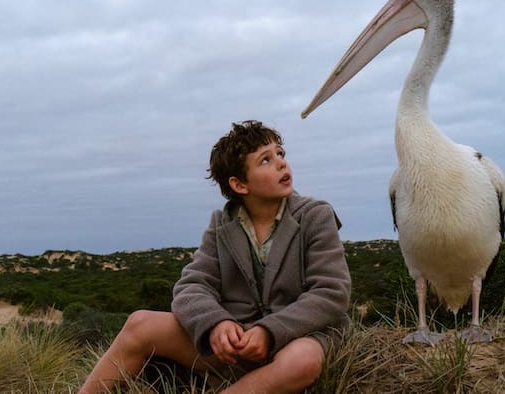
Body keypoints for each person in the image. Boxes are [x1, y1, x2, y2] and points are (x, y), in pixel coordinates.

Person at [80, 120, 351, 393]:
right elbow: (191, 287)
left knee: (302, 361)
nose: (282, 163)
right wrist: (216, 324)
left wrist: (270, 331)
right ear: (239, 184)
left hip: (299, 338)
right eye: (265, 160)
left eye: (280, 153)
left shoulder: (316, 215)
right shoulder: (221, 225)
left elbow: (331, 291)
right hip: (236, 346)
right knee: (139, 323)